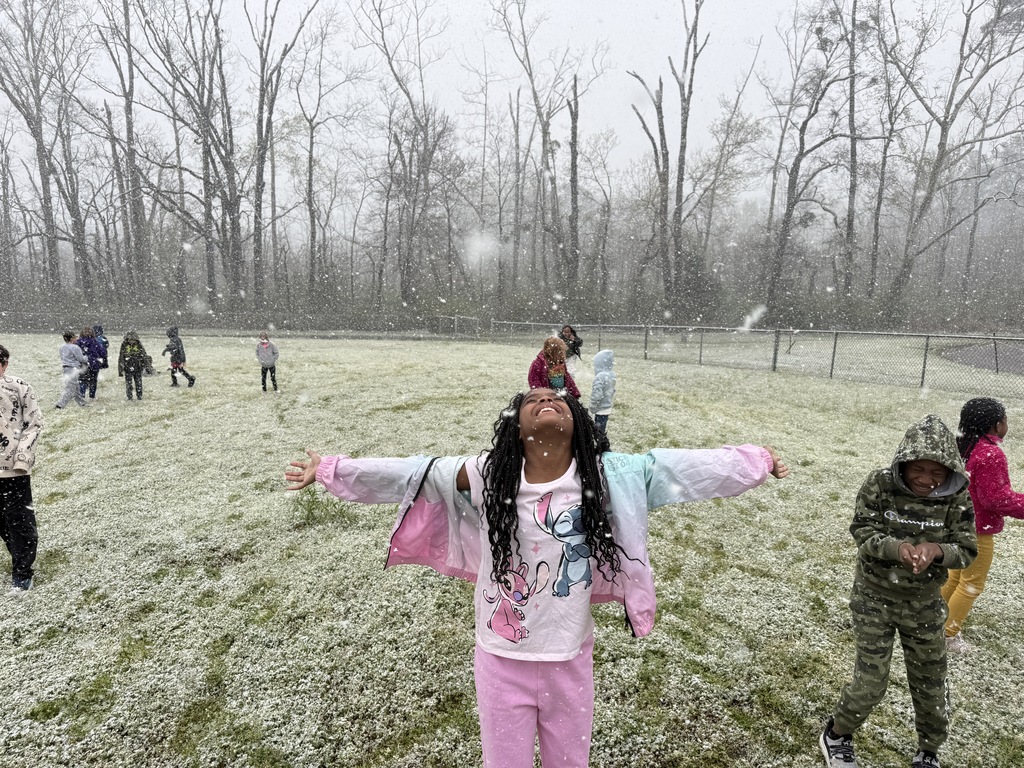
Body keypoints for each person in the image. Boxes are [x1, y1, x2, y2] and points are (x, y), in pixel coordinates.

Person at [285, 387, 788, 768]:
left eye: (560, 400)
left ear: (581, 426)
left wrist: (754, 461)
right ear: (514, 427)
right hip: (500, 657)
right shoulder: (484, 474)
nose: (548, 400)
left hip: (570, 655)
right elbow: (411, 473)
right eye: (535, 399)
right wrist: (333, 470)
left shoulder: (611, 478)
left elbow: (685, 469)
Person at [820, 414, 977, 768]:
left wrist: (936, 552)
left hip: (924, 605)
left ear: (949, 471)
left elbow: (966, 550)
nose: (925, 480)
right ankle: (838, 734)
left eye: (937, 473)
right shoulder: (879, 484)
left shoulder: (958, 498)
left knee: (930, 683)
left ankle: (929, 751)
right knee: (871, 682)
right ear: (902, 464)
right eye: (917, 470)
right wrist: (897, 549)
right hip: (873, 599)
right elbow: (861, 528)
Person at [941, 398, 1024, 653]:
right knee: (971, 584)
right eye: (1005, 420)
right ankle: (946, 635)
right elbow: (995, 498)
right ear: (997, 425)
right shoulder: (990, 454)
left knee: (955, 576)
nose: (1007, 425)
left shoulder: (963, 447)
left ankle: (932, 622)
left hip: (955, 524)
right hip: (977, 530)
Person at [0, 343, 43, 591]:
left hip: (13, 471)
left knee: (20, 521)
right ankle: (17, 557)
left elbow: (33, 424)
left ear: (5, 364)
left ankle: (22, 571)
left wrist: (21, 460)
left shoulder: (20, 388)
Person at [55, 330, 89, 409]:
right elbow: (81, 358)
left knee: (76, 387)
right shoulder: (75, 347)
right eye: (75, 337)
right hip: (73, 369)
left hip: (65, 368)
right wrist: (87, 357)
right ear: (71, 338)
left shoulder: (62, 347)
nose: (77, 338)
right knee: (70, 389)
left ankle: (82, 403)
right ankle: (60, 405)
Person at [118, 330, 151, 401]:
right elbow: (121, 357)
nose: (132, 341)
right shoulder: (124, 345)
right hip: (127, 367)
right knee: (128, 383)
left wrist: (147, 367)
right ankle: (129, 397)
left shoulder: (139, 345)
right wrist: (120, 370)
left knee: (138, 383)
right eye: (130, 339)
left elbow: (144, 356)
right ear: (127, 339)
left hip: (138, 367)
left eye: (133, 340)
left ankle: (139, 396)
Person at [589, 349, 616, 435]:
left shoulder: (600, 377)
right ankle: (601, 441)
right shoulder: (612, 374)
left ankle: (600, 445)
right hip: (607, 407)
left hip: (600, 409)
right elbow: (612, 390)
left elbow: (597, 394)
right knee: (601, 429)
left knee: (598, 431)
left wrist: (593, 406)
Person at [76, 327, 106, 399]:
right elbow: (103, 352)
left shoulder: (78, 342)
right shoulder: (95, 342)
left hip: (82, 364)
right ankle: (91, 397)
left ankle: (82, 395)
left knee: (82, 380)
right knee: (93, 381)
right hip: (94, 364)